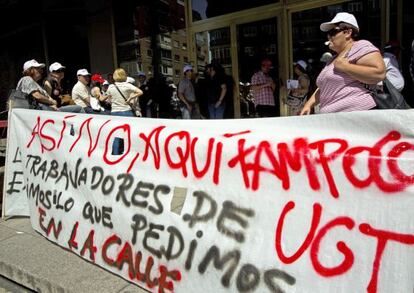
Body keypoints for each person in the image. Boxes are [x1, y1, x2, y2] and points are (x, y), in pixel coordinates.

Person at [301, 12, 385, 115]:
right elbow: (324, 87)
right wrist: (308, 105)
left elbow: (379, 73)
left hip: (357, 115)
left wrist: (345, 67)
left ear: (348, 33)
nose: (329, 36)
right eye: (328, 33)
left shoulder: (360, 46)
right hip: (335, 119)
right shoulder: (333, 59)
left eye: (333, 32)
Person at [16, 59, 83, 112]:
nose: (41, 70)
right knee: (79, 109)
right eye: (37, 68)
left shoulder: (36, 84)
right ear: (30, 70)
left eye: (40, 69)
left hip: (47, 110)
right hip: (42, 112)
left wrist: (52, 103)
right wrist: (51, 102)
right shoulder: (26, 79)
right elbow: (37, 96)